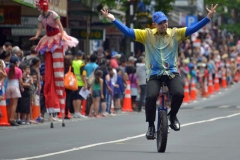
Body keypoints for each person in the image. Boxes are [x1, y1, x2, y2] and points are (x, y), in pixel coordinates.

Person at [101, 4, 218, 139]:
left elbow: (192, 29)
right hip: (154, 74)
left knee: (179, 93)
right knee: (150, 97)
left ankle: (172, 116)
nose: (164, 24)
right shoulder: (147, 34)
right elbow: (128, 31)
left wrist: (208, 17)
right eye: (161, 23)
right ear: (154, 24)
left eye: (165, 22)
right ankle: (151, 126)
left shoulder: (175, 33)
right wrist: (113, 19)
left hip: (171, 72)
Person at [30, 0, 78, 126]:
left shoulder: (53, 14)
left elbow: (60, 26)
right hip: (48, 38)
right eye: (43, 8)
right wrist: (36, 36)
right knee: (50, 72)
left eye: (45, 8)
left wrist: (62, 35)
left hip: (57, 37)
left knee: (58, 74)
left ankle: (60, 108)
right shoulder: (41, 17)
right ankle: (53, 107)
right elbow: (40, 28)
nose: (44, 10)